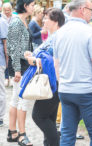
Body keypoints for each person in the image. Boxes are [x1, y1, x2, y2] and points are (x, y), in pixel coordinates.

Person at [53, 0, 92, 146]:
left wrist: (62, 83)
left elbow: (56, 64)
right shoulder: (90, 33)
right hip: (87, 91)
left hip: (66, 90)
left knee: (67, 134)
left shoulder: (59, 33)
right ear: (83, 10)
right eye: (91, 11)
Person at [24, 8, 65, 146]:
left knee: (38, 116)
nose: (44, 20)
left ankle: (56, 142)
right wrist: (31, 55)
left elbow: (53, 60)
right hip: (51, 81)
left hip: (53, 82)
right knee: (49, 118)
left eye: (47, 18)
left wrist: (34, 60)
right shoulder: (52, 36)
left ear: (56, 21)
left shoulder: (58, 37)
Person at [7, 0, 35, 146]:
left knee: (16, 99)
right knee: (22, 101)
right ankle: (22, 135)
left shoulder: (23, 21)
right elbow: (13, 48)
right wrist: (17, 69)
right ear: (25, 5)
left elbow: (24, 46)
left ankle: (12, 132)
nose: (33, 7)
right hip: (20, 66)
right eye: (32, 4)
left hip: (23, 64)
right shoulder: (16, 22)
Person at [2, 2, 15, 87]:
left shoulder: (14, 18)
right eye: (5, 10)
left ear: (11, 10)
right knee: (5, 60)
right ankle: (6, 77)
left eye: (8, 10)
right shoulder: (1, 18)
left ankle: (11, 77)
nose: (7, 12)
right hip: (3, 42)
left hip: (12, 42)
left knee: (11, 60)